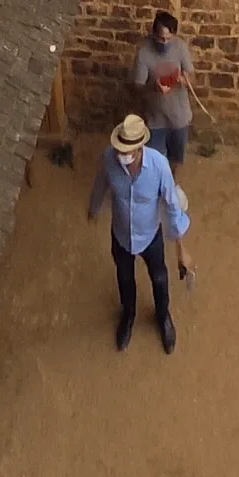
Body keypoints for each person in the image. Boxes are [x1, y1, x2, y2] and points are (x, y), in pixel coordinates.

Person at [87, 114, 191, 354]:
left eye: (126, 150)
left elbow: (172, 207)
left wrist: (181, 249)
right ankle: (128, 316)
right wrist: (93, 208)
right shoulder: (108, 159)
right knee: (124, 278)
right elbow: (100, 183)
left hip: (150, 236)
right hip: (121, 235)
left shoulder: (159, 167)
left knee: (159, 279)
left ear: (140, 147)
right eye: (119, 148)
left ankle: (163, 318)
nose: (121, 154)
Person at [133, 11, 195, 177]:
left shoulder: (180, 47)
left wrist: (184, 79)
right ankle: (158, 186)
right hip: (156, 119)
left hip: (179, 116)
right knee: (155, 160)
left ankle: (170, 182)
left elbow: (192, 76)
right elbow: (138, 87)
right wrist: (154, 87)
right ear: (154, 34)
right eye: (161, 38)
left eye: (169, 38)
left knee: (175, 158)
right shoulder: (144, 53)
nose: (165, 43)